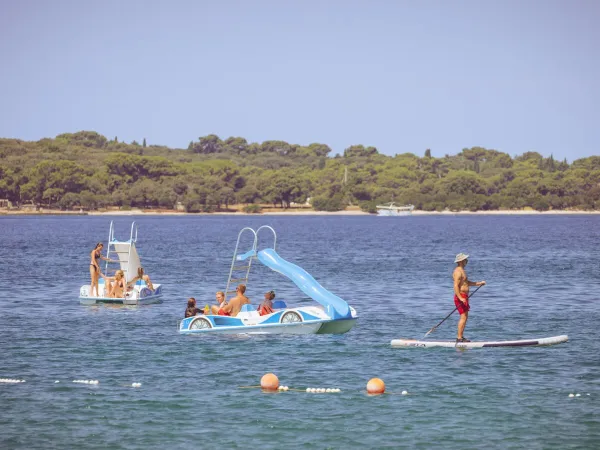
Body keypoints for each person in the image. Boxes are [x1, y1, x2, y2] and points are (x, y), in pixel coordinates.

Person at [453, 253, 486, 343]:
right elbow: (455, 286)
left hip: (464, 297)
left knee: (465, 317)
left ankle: (461, 337)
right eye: (465, 259)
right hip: (461, 296)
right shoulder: (458, 271)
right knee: (463, 317)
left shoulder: (462, 270)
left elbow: (467, 283)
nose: (467, 261)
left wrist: (479, 283)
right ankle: (459, 338)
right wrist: (460, 298)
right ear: (460, 261)